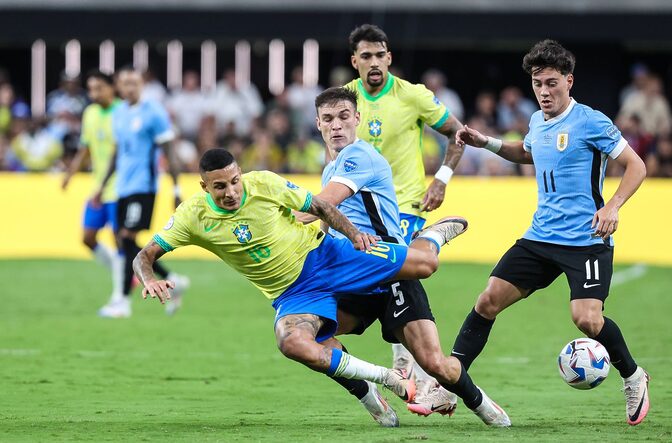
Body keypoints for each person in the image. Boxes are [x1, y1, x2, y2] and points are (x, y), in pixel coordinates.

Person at [132, 147, 468, 424]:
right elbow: (144, 255)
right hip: (294, 294)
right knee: (293, 343)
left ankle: (431, 237)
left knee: (425, 266)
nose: (232, 192)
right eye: (220, 187)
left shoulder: (263, 183)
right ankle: (381, 382)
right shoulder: (192, 216)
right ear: (205, 187)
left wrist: (354, 236)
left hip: (328, 255)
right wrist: (149, 279)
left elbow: (320, 206)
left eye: (235, 181)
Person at [454, 39, 650, 426]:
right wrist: (486, 142)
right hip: (541, 236)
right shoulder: (536, 121)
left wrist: (611, 207)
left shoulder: (591, 121)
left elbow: (636, 166)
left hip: (586, 240)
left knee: (587, 319)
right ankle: (446, 379)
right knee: (488, 299)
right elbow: (528, 153)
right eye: (537, 84)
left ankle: (632, 375)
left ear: (569, 81)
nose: (544, 92)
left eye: (551, 83)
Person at [295, 86, 510, 427]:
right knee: (311, 333)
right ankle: (367, 392)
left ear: (358, 119)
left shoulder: (358, 156)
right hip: (355, 276)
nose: (337, 126)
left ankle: (481, 403)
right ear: (318, 124)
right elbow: (326, 221)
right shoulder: (330, 167)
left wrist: (276, 217)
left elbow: (321, 205)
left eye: (344, 117)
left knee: (436, 364)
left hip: (392, 270)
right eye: (328, 119)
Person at [345, 23, 466, 403]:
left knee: (393, 268)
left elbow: (457, 133)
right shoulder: (343, 101)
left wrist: (442, 179)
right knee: (373, 279)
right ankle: (415, 366)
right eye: (366, 56)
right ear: (355, 62)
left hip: (405, 205)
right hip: (358, 211)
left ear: (390, 58)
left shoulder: (413, 96)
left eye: (380, 55)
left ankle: (405, 362)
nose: (374, 62)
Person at [94, 66, 189, 318]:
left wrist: (176, 188)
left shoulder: (154, 113)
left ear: (141, 85)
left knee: (126, 239)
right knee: (126, 240)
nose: (130, 88)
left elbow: (169, 152)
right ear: (119, 87)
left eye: (134, 83)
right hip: (123, 187)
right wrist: (102, 186)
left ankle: (122, 301)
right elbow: (117, 153)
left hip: (144, 187)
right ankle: (173, 280)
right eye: (125, 83)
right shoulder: (119, 114)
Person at [62, 70, 123, 302]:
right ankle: (128, 274)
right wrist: (70, 173)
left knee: (119, 240)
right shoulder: (90, 113)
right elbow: (86, 147)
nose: (93, 93)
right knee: (87, 238)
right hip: (98, 187)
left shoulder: (122, 112)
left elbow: (121, 154)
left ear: (111, 88)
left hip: (119, 187)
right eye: (90, 89)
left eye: (98, 88)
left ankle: (119, 295)